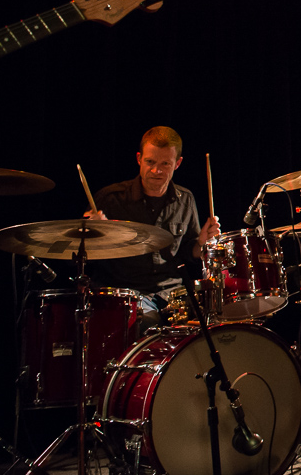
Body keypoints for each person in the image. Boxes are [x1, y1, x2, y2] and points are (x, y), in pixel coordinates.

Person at [88, 126, 220, 331]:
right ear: (139, 159)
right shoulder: (111, 199)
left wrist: (201, 243)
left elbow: (188, 251)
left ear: (177, 164)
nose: (156, 171)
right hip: (129, 294)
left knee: (215, 323)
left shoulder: (185, 199)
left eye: (165, 164)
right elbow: (86, 255)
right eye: (150, 162)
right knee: (146, 323)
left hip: (172, 294)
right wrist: (95, 233)